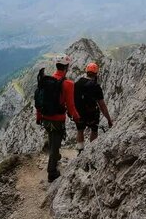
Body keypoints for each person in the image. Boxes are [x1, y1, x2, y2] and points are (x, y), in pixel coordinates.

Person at [35, 54, 80, 182]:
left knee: (52, 139)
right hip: (57, 119)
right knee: (55, 144)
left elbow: (39, 100)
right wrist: (77, 118)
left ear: (56, 66)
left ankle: (56, 156)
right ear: (67, 67)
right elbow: (71, 106)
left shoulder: (47, 80)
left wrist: (38, 117)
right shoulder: (68, 84)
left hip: (45, 117)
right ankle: (52, 172)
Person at [74, 62, 113, 152]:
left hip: (79, 113)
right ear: (96, 73)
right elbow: (102, 105)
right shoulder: (96, 86)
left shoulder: (77, 84)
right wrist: (109, 120)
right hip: (92, 113)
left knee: (80, 130)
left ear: (86, 71)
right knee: (94, 130)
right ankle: (91, 151)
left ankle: (80, 150)